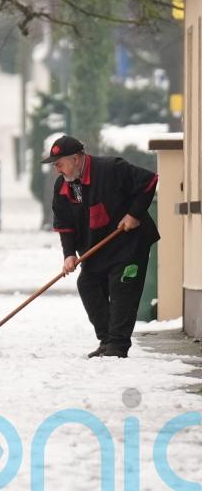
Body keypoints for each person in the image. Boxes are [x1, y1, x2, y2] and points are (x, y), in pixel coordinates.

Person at [42, 135, 159, 358]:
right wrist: (68, 255)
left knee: (121, 288)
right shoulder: (63, 187)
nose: (57, 169)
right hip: (98, 248)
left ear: (76, 159)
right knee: (87, 283)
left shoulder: (111, 169)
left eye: (59, 163)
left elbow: (149, 181)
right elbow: (64, 225)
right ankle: (107, 340)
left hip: (129, 244)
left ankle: (118, 345)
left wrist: (134, 214)